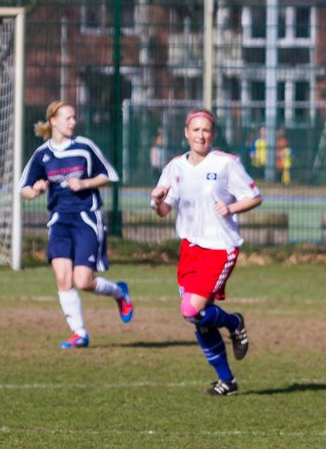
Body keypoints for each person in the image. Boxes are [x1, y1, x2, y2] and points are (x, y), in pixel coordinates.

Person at [151, 109, 263, 395]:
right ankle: (226, 380)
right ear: (186, 133)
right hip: (190, 248)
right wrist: (156, 201)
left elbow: (254, 196)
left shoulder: (226, 163)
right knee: (198, 320)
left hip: (219, 247)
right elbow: (164, 210)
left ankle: (234, 322)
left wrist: (231, 208)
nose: (201, 135)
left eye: (206, 131)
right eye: (196, 130)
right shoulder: (175, 167)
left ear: (212, 135)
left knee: (191, 309)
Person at [18, 100, 133, 349]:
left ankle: (119, 293)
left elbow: (108, 175)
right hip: (59, 221)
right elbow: (23, 190)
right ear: (53, 121)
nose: (73, 122)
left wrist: (85, 184)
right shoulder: (42, 154)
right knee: (63, 279)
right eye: (67, 118)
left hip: (86, 218)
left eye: (74, 118)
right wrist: (36, 189)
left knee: (83, 281)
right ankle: (80, 333)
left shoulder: (84, 147)